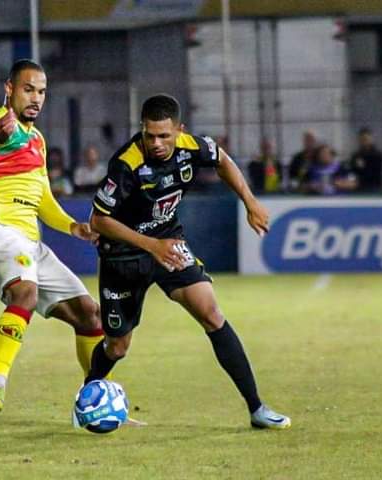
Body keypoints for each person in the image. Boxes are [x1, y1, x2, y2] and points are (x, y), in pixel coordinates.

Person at [86, 94, 290, 429]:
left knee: (211, 313)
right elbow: (99, 220)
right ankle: (87, 398)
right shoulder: (127, 163)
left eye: (164, 135)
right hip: (123, 256)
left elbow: (222, 159)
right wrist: (151, 245)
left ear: (179, 130)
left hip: (169, 242)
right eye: (150, 135)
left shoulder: (192, 146)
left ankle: (257, 408)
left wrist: (249, 201)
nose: (156, 143)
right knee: (117, 346)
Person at [0, 59, 119, 422]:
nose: (36, 98)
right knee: (25, 295)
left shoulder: (37, 140)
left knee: (89, 313)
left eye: (42, 91)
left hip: (29, 242)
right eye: (28, 89)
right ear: (10, 89)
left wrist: (72, 226)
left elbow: (43, 198)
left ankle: (93, 401)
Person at [349, 127, 382, 192]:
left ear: (371, 139)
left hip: (374, 188)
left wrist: (363, 166)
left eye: (366, 139)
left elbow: (376, 172)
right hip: (358, 188)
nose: (364, 141)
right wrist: (351, 182)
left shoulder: (378, 155)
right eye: (362, 139)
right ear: (359, 140)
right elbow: (352, 172)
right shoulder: (356, 155)